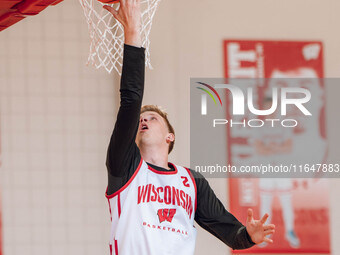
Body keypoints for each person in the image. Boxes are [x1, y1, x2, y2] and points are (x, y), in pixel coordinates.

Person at [103, 0, 275, 254]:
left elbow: (229, 231)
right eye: (142, 119)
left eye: (153, 118)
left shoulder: (192, 182)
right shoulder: (125, 168)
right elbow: (131, 99)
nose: (144, 120)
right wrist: (132, 33)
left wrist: (248, 235)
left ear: (170, 136)